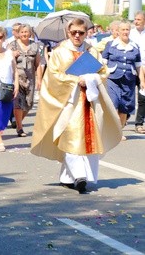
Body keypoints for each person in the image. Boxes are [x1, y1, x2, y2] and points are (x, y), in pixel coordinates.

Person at [31, 18, 122, 193]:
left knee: (89, 138)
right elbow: (53, 76)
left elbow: (103, 71)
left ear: (86, 32)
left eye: (81, 32)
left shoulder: (92, 51)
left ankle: (68, 177)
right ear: (68, 33)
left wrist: (92, 78)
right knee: (70, 136)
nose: (78, 36)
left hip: (90, 101)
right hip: (68, 102)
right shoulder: (59, 52)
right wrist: (75, 80)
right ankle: (80, 176)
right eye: (74, 33)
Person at [101, 21, 141, 136]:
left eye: (127, 30)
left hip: (129, 80)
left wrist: (142, 80)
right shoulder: (111, 45)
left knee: (125, 107)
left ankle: (119, 131)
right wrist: (102, 77)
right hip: (113, 79)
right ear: (118, 32)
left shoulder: (134, 46)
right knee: (113, 104)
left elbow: (139, 66)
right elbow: (103, 63)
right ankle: (111, 131)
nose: (125, 32)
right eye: (123, 30)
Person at [8, 24, 43, 137]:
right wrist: (12, 55)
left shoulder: (35, 46)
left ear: (30, 33)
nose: (24, 34)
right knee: (18, 103)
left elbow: (38, 64)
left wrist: (39, 79)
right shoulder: (12, 45)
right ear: (18, 33)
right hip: (17, 78)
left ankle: (18, 121)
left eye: (26, 32)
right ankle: (19, 127)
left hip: (30, 79)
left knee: (29, 104)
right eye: (22, 32)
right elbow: (6, 61)